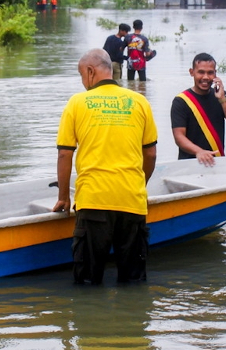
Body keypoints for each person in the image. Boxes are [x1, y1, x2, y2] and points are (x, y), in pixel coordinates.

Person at [54, 49, 158, 284]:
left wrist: (63, 197)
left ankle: (90, 319)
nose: (83, 83)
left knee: (87, 281)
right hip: (132, 200)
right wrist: (139, 185)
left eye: (82, 76)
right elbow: (150, 154)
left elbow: (64, 154)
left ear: (90, 72)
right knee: (133, 282)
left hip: (93, 201)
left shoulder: (77, 103)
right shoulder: (140, 102)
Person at [171, 52, 226, 166]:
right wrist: (199, 151)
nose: (205, 77)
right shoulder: (181, 101)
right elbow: (179, 137)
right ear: (192, 72)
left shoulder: (222, 96)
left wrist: (223, 100)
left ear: (215, 74)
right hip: (189, 165)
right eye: (201, 72)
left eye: (210, 73)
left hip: (217, 164)